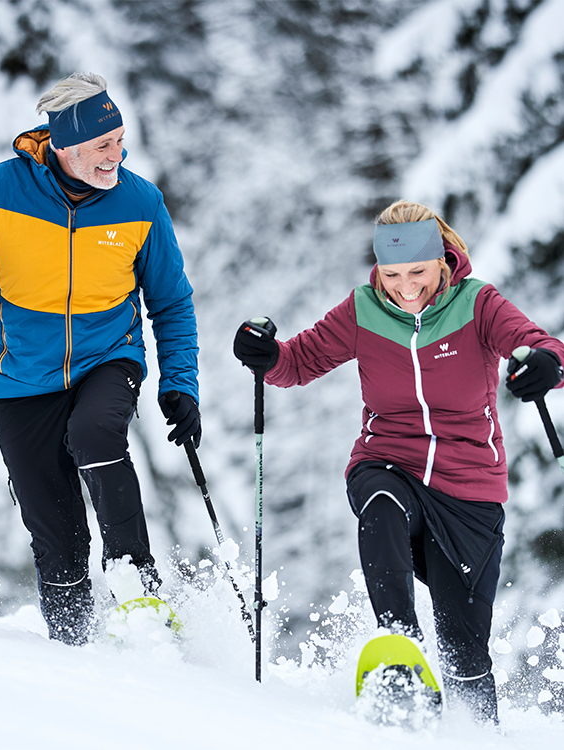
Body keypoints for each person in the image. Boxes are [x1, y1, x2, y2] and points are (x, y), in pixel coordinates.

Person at [233, 200, 564, 723]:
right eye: (392, 274)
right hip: (388, 459)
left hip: (469, 488)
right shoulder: (364, 309)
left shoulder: (478, 305)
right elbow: (297, 361)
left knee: (465, 652)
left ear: (443, 261)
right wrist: (266, 355)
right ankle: (398, 649)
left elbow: (538, 345)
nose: (406, 287)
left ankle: (475, 734)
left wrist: (545, 364)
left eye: (417, 272)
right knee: (382, 501)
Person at [0, 72, 201, 646]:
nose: (116, 156)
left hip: (108, 359)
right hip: (20, 380)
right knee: (55, 535)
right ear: (61, 145)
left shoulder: (140, 202)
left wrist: (180, 383)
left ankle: (139, 591)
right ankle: (75, 648)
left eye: (119, 140)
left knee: (95, 434)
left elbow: (171, 302)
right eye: (101, 146)